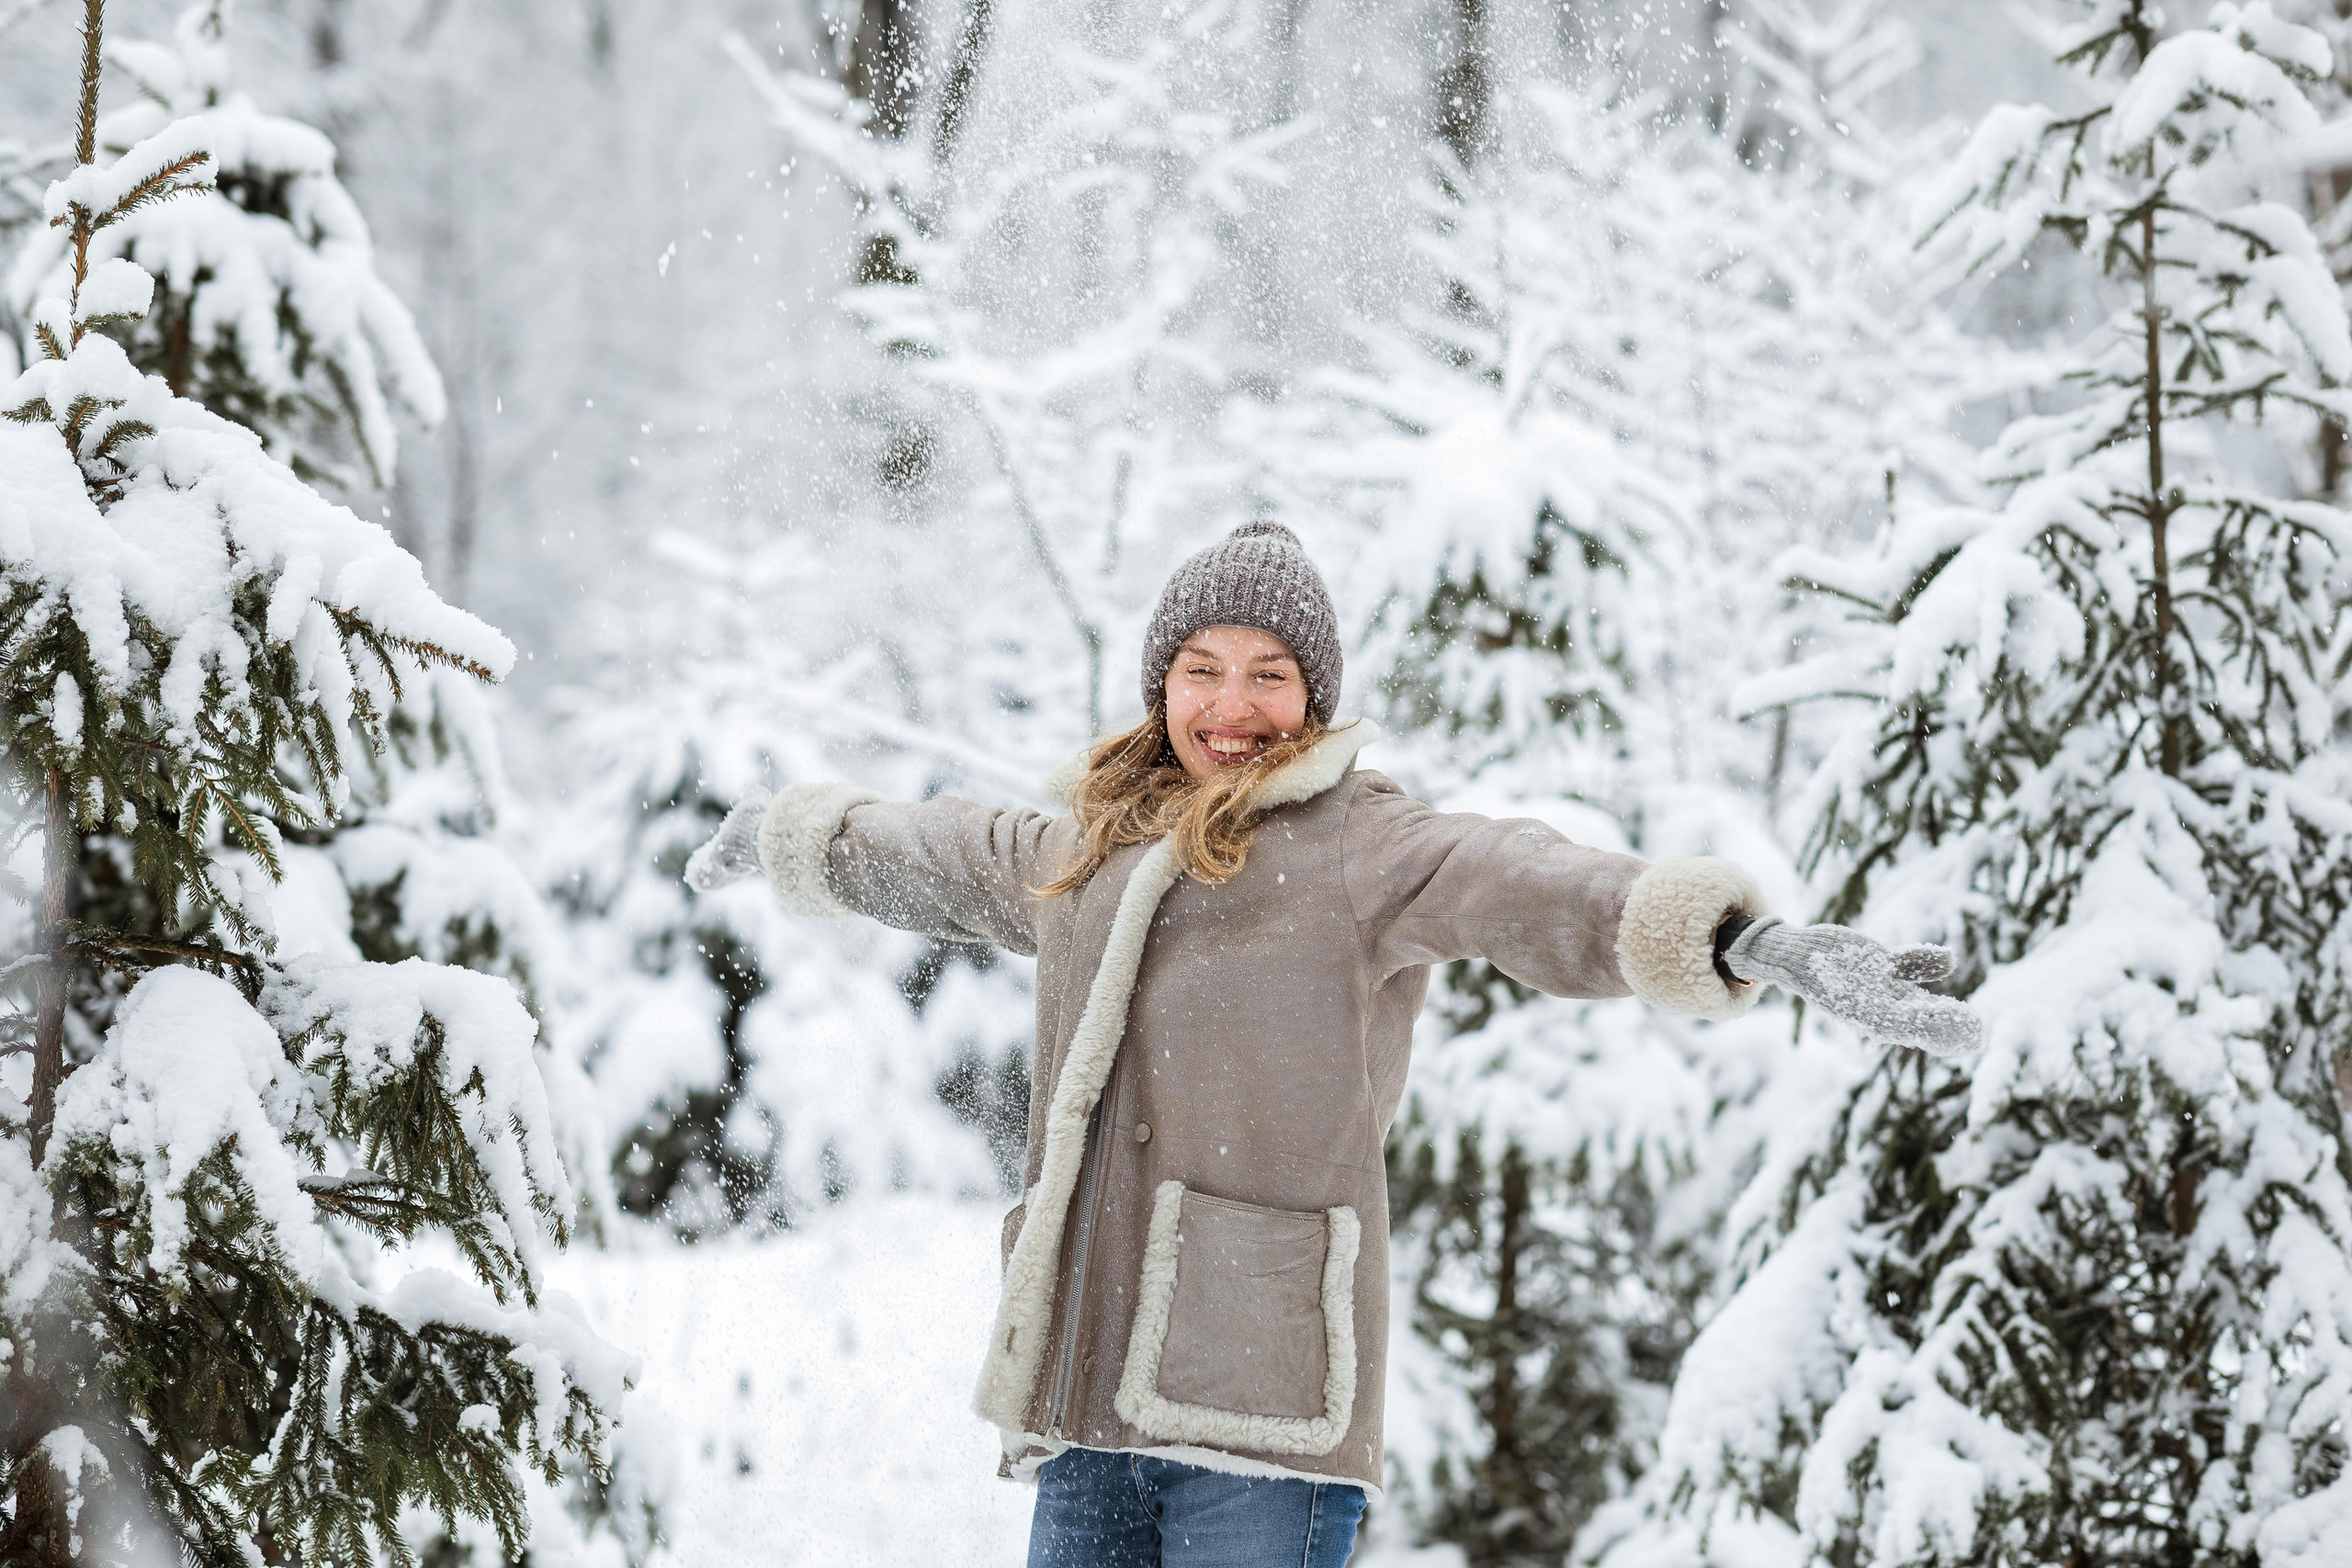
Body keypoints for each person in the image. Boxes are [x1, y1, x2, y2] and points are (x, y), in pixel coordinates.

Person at [684, 521, 1981, 1566]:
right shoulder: (1089, 853)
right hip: (1087, 1399)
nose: (1231, 705)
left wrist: (1737, 937)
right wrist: (804, 837)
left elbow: (1522, 878)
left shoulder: (1364, 847)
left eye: (1269, 673)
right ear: (1161, 683)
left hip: (1265, 1403)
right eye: (1202, 668)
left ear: (1313, 695)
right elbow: (944, 850)